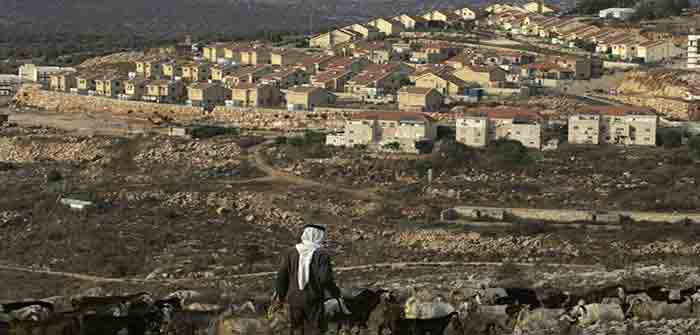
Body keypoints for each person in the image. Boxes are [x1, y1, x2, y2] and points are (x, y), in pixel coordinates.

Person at [274, 224, 348, 335]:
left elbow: (281, 277)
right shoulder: (322, 255)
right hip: (313, 300)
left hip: (294, 300)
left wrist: (281, 296)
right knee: (314, 330)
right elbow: (325, 279)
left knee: (296, 330)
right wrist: (335, 293)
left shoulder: (291, 252)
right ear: (318, 236)